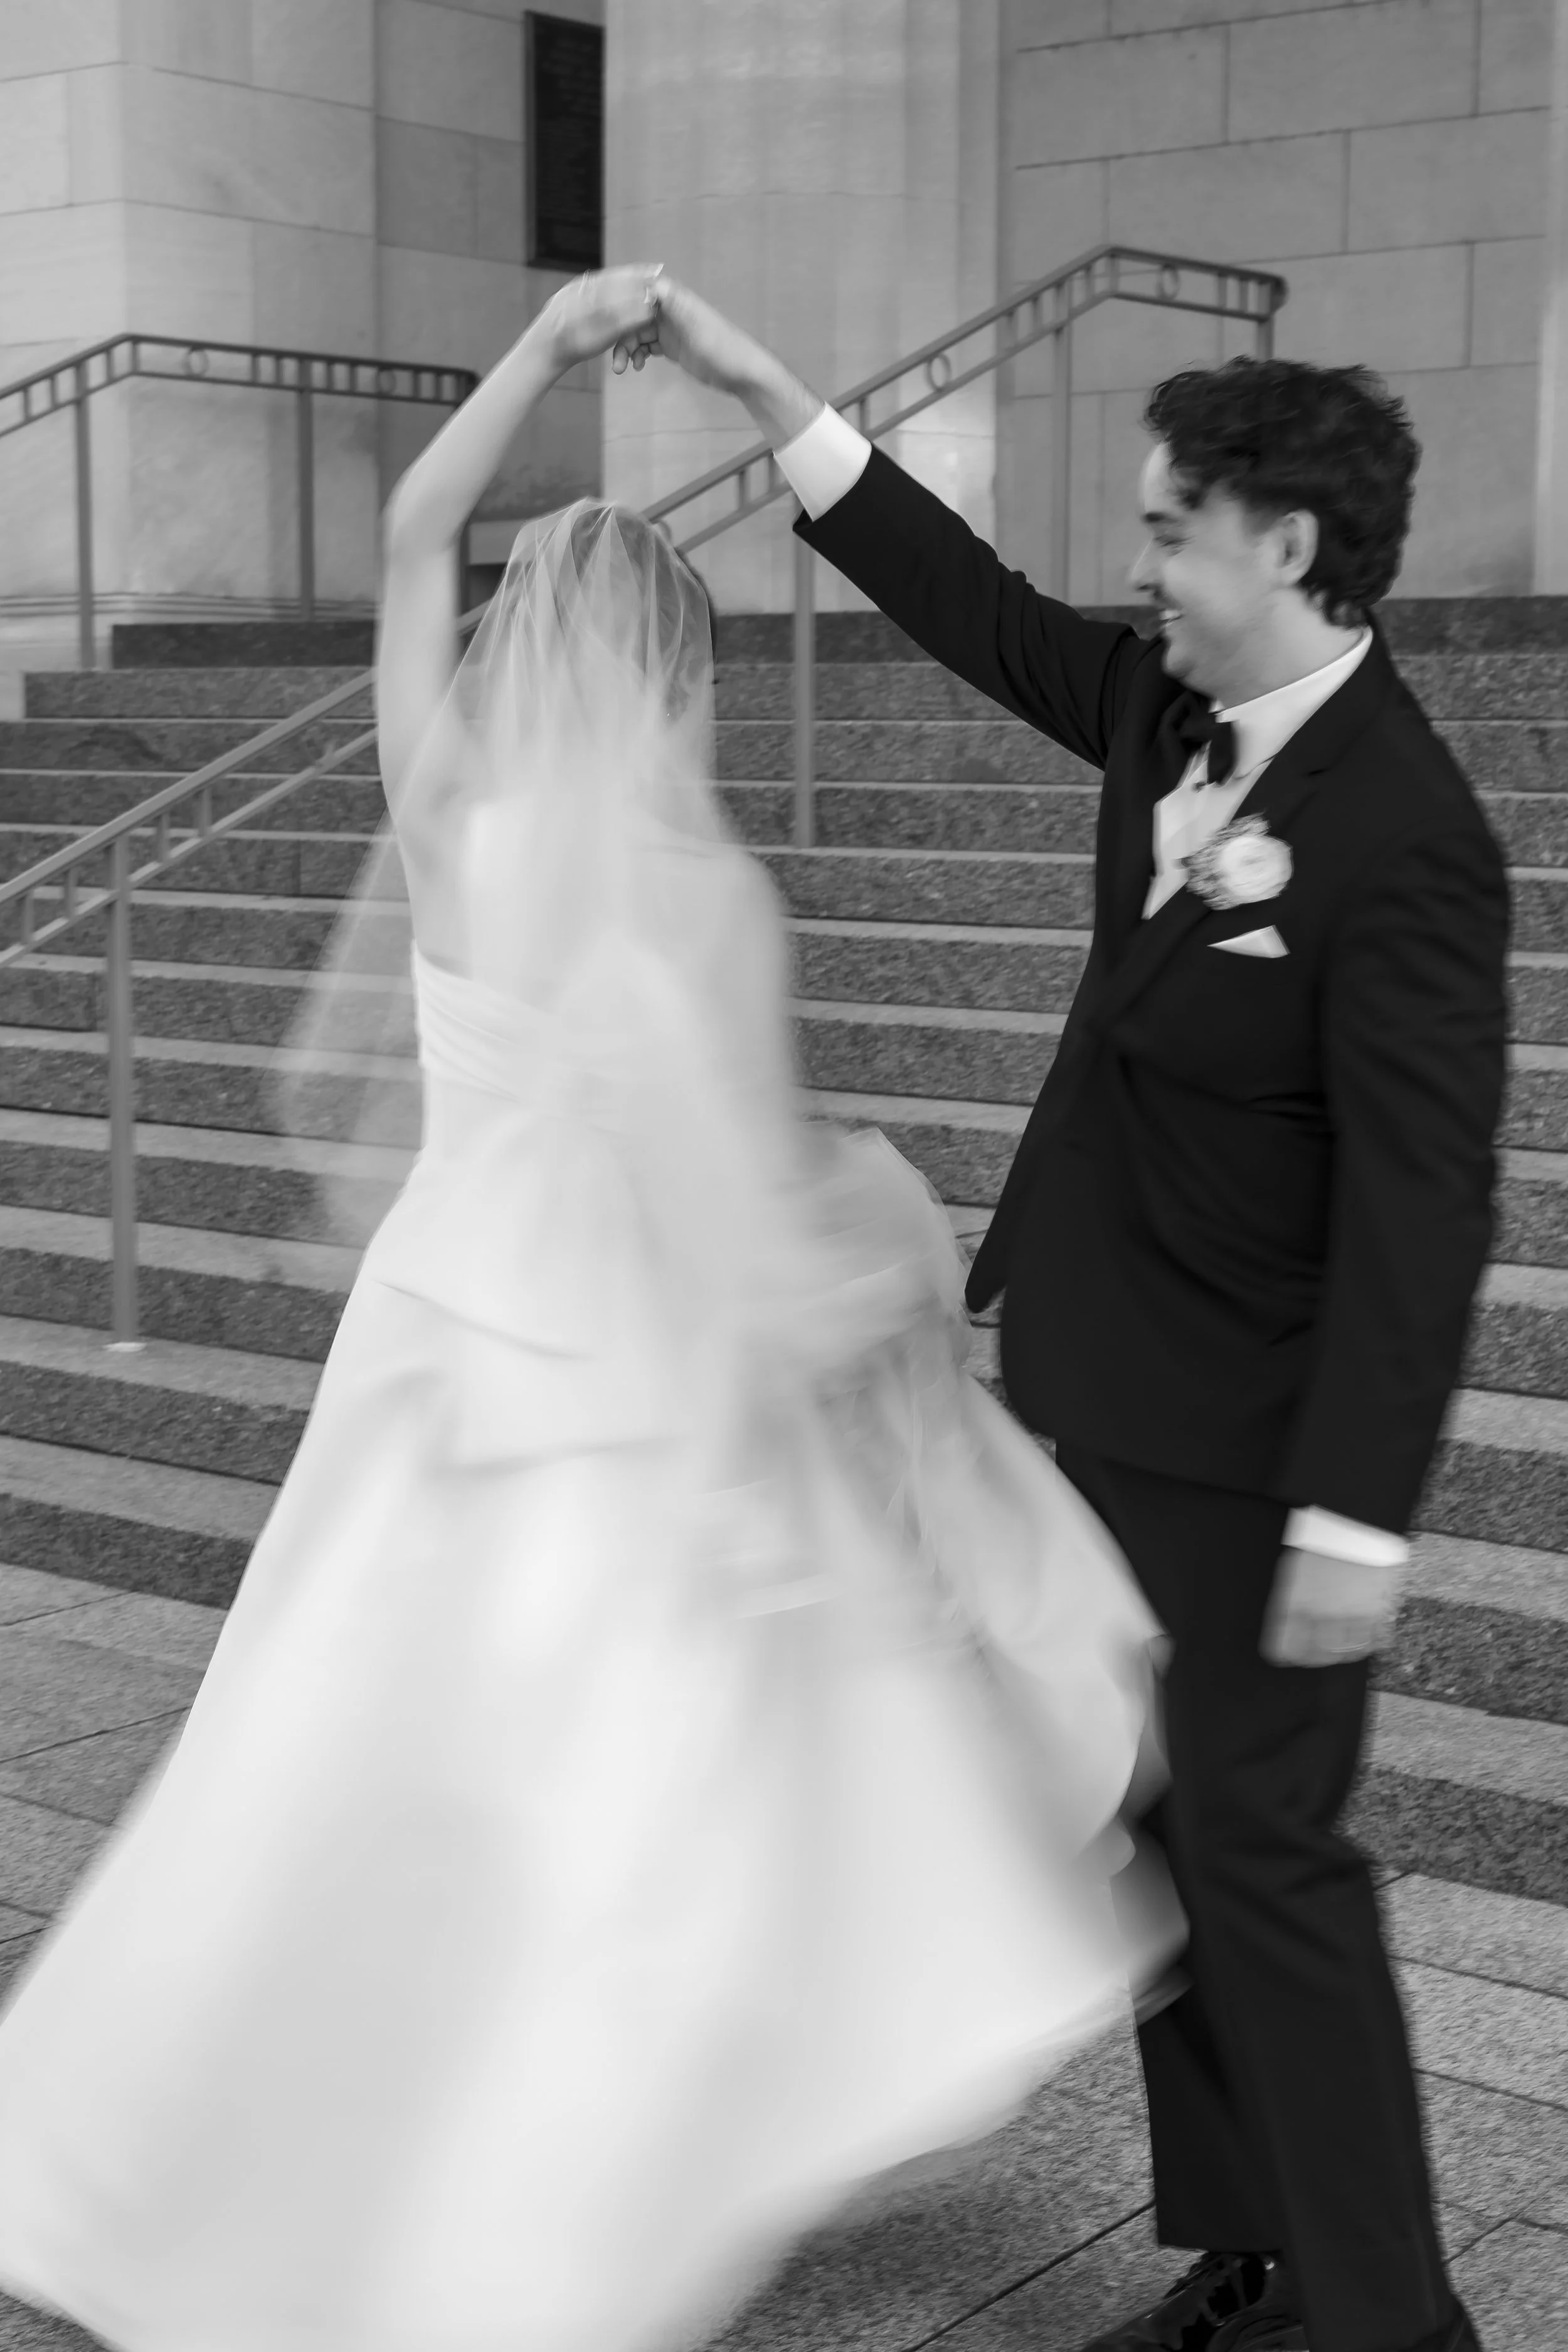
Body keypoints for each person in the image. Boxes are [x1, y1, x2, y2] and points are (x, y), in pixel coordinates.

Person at [0, 268, 1164, 2352]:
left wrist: (541, 355)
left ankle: (219, 2124)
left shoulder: (446, 809)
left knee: (340, 1747)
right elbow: (725, 1203)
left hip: (441, 1343)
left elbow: (405, 537)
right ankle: (527, 2196)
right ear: (680, 671)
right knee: (616, 1791)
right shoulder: (695, 891)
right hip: (616, 1381)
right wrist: (875, 1267)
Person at [641, 278, 1508, 2352]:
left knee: (1269, 1871)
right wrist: (766, 389)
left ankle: (1391, 2323)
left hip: (1256, 1454)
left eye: (1165, 531)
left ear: (1280, 548)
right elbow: (970, 596)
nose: (1133, 568)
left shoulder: (1408, 840)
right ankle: (1256, 2256)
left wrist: (1353, 1525)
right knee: (1157, 1837)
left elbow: (1423, 1215)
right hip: (1097, 1397)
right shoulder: (1155, 712)